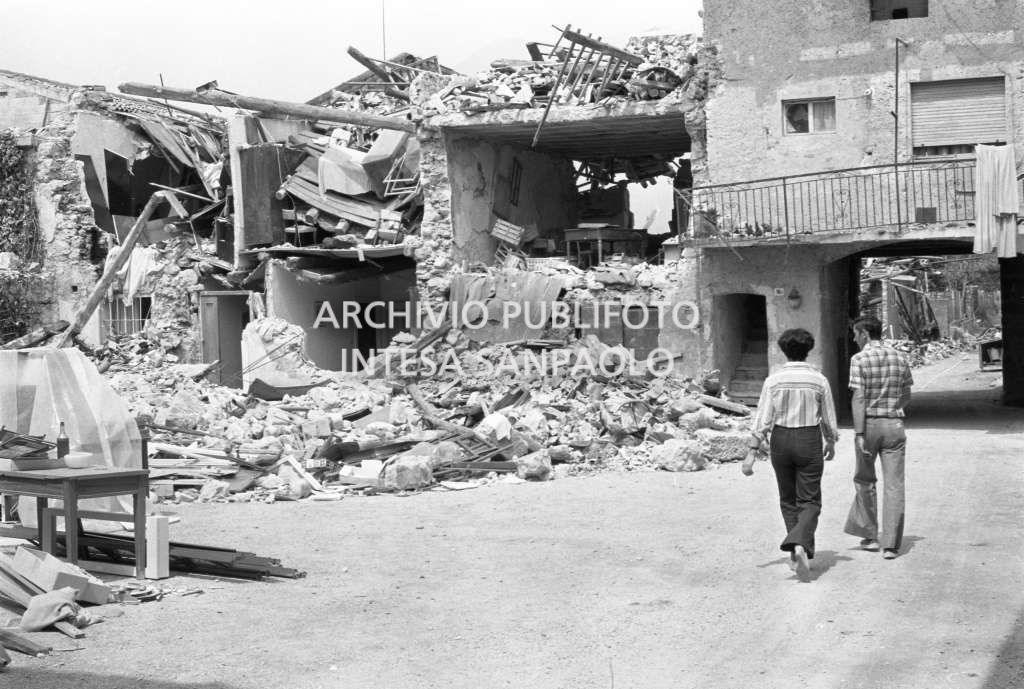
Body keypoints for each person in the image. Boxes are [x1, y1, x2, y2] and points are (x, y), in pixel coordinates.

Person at [742, 328, 839, 581]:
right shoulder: (819, 380)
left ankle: (797, 551)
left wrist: (752, 451)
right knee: (810, 500)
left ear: (783, 351)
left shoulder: (773, 381)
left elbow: (763, 418)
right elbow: (828, 417)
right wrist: (830, 441)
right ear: (809, 350)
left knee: (788, 499)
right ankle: (799, 543)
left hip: (781, 440)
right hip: (808, 439)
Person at [843, 315, 913, 560]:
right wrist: (894, 409)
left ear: (864, 334)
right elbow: (906, 394)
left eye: (855, 334)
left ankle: (871, 536)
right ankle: (891, 545)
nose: (854, 339)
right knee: (894, 485)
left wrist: (859, 433)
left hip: (869, 424)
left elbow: (859, 397)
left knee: (865, 480)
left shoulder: (859, 359)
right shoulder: (900, 357)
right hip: (894, 425)